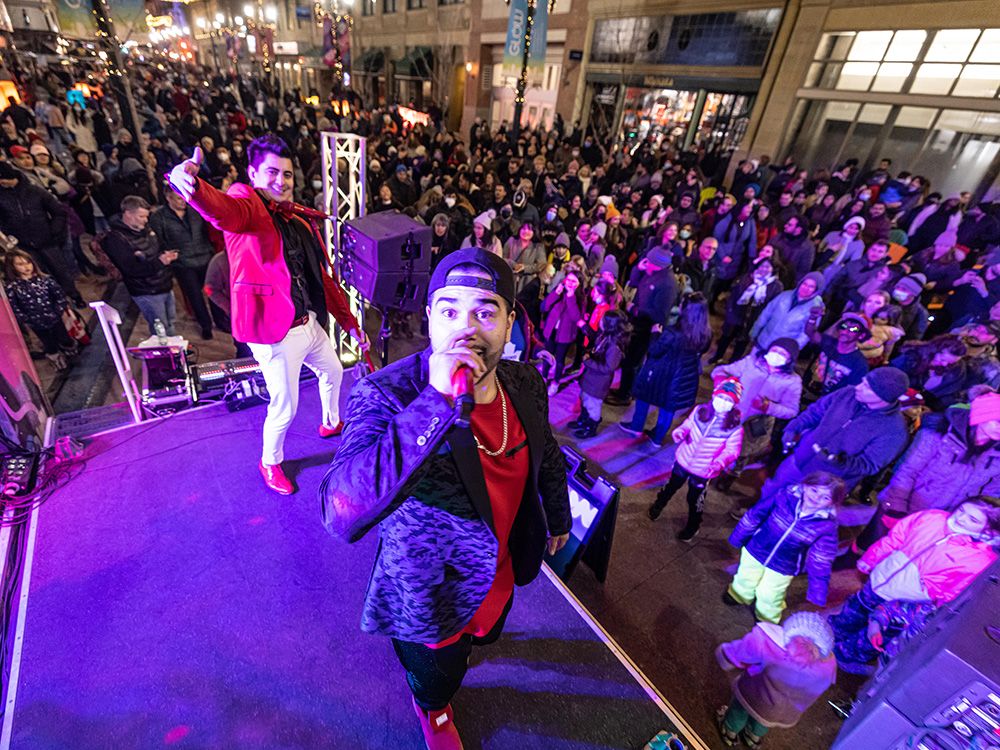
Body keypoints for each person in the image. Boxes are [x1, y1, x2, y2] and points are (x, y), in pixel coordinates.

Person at [319, 248, 571, 750]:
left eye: (485, 311)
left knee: (483, 639)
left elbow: (547, 451)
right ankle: (432, 709)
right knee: (438, 675)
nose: (467, 328)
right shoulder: (385, 394)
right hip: (428, 591)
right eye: (451, 310)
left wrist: (557, 515)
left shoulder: (524, 383)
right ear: (430, 317)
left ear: (509, 323)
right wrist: (433, 404)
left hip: (500, 568)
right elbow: (339, 510)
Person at [168, 136, 368, 495]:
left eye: (287, 174)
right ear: (253, 173)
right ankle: (270, 461)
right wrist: (194, 187)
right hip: (274, 332)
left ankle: (330, 422)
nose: (282, 180)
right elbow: (223, 209)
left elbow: (321, 279)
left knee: (333, 370)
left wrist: (351, 324)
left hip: (307, 322)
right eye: (272, 172)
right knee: (285, 406)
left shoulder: (296, 219)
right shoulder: (247, 202)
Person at [830, 499, 999, 674]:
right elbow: (895, 538)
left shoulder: (980, 560)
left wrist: (927, 609)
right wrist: (871, 558)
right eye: (962, 510)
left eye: (973, 520)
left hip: (904, 601)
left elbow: (955, 592)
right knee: (854, 611)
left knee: (877, 634)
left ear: (989, 530)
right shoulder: (932, 518)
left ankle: (847, 655)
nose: (961, 518)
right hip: (879, 580)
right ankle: (832, 635)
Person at [725, 473, 844, 623]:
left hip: (784, 565)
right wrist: (739, 536)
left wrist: (818, 590)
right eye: (814, 490)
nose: (816, 498)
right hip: (756, 548)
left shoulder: (826, 526)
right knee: (745, 574)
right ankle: (739, 594)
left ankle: (767, 616)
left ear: (832, 502)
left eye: (825, 497)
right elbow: (756, 514)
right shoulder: (785, 496)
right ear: (805, 485)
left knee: (770, 593)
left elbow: (821, 559)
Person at [769, 368, 911, 493]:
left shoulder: (894, 431)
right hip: (798, 460)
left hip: (824, 485)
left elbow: (869, 464)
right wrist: (794, 427)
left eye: (867, 387)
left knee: (792, 517)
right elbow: (815, 412)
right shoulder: (846, 393)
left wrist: (839, 463)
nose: (858, 387)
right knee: (770, 494)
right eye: (862, 382)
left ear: (883, 397)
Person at [716, 612, 837, 749]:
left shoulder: (766, 642)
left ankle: (730, 731)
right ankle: (752, 736)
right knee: (764, 721)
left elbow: (739, 653)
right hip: (786, 711)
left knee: (740, 710)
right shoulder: (829, 667)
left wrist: (725, 656)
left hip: (755, 694)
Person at [647, 377, 744, 541]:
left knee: (695, 499)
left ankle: (693, 525)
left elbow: (732, 450)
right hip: (683, 460)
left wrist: (719, 463)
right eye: (721, 397)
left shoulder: (734, 428)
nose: (722, 402)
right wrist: (680, 432)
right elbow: (687, 425)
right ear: (714, 396)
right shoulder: (700, 411)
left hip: (704, 470)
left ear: (734, 404)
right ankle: (657, 506)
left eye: (728, 400)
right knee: (670, 487)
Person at [877, 391, 1000, 519]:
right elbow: (907, 471)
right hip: (903, 509)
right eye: (998, 422)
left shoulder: (997, 455)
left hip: (943, 521)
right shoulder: (939, 434)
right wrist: (896, 508)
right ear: (981, 417)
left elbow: (990, 495)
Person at [620, 292, 712, 445]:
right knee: (668, 408)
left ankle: (636, 427)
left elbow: (655, 350)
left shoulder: (673, 333)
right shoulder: (706, 333)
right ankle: (657, 437)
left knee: (643, 398)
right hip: (684, 376)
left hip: (661, 372)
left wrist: (655, 333)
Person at [712, 338, 803, 476]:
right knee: (715, 442)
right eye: (775, 350)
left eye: (783, 354)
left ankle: (728, 476)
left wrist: (768, 407)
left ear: (790, 359)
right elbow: (722, 371)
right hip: (731, 412)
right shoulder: (751, 362)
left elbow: (791, 410)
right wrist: (721, 383)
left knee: (740, 453)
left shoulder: (792, 382)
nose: (777, 355)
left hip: (754, 424)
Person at [0, 161, 83, 308]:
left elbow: (58, 212)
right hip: (24, 244)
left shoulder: (34, 191)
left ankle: (74, 295)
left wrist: (54, 231)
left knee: (60, 270)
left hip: (46, 240)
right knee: (38, 275)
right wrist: (10, 234)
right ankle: (56, 302)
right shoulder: (2, 197)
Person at [607, 245, 678, 405]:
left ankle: (625, 395)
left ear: (658, 264)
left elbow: (660, 314)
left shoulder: (667, 284)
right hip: (636, 324)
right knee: (628, 360)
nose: (646, 263)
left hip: (645, 328)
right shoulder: (653, 273)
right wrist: (638, 269)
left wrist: (636, 309)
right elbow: (634, 282)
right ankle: (623, 389)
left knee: (633, 362)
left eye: (649, 262)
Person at [102, 196, 180, 336]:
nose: (145, 220)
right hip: (147, 291)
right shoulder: (115, 239)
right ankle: (167, 355)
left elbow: (157, 248)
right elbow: (130, 269)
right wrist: (160, 262)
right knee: (161, 329)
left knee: (171, 322)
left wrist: (166, 255)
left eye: (146, 216)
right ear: (128, 214)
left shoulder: (146, 229)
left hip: (164, 284)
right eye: (141, 216)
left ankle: (176, 353)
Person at [149, 185, 217, 340]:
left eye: (184, 197)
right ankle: (205, 325)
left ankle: (221, 321)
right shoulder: (159, 217)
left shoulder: (195, 210)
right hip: (183, 264)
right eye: (179, 198)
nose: (183, 201)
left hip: (205, 257)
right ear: (168, 198)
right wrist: (170, 254)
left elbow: (208, 230)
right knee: (195, 297)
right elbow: (159, 240)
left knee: (212, 292)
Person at [3, 249, 77, 370]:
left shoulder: (45, 280)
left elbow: (59, 295)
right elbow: (14, 306)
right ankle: (59, 363)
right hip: (36, 323)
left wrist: (58, 310)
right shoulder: (13, 287)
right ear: (12, 267)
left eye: (28, 262)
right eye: (20, 264)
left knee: (64, 338)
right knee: (49, 344)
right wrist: (26, 319)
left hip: (54, 317)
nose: (26, 267)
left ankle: (72, 356)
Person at [710, 256, 783, 364]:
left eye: (768, 267)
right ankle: (717, 356)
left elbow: (772, 305)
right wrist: (730, 312)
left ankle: (733, 362)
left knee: (742, 342)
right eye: (762, 265)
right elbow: (734, 295)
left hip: (753, 320)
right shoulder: (747, 278)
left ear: (773, 269)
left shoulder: (776, 286)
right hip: (736, 314)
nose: (764, 269)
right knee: (726, 338)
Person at [570, 309, 630, 438]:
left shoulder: (615, 347)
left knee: (593, 405)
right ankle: (583, 420)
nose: (600, 321)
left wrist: (588, 361)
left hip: (598, 382)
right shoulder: (604, 336)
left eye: (603, 319)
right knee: (585, 399)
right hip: (590, 378)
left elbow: (608, 368)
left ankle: (590, 427)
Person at [750, 272, 825, 351]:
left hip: (780, 350)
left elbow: (805, 335)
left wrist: (793, 349)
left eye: (811, 286)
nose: (805, 288)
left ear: (816, 290)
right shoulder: (785, 295)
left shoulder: (815, 308)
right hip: (763, 340)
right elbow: (766, 314)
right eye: (804, 284)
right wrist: (755, 331)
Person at [805, 312, 871, 398]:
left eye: (853, 329)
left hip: (826, 402)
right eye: (844, 326)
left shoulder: (860, 364)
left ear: (861, 336)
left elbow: (852, 393)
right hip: (805, 389)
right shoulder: (828, 342)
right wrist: (812, 318)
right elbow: (810, 333)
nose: (846, 331)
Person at [540, 269, 586, 393]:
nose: (570, 283)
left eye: (574, 281)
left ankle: (555, 383)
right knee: (547, 356)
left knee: (560, 360)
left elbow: (575, 317)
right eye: (568, 279)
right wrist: (555, 293)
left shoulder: (580, 298)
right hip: (551, 330)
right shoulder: (558, 291)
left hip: (565, 334)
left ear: (579, 284)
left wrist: (571, 298)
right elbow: (544, 307)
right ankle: (543, 378)